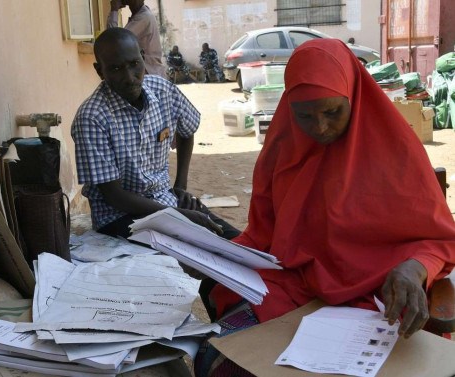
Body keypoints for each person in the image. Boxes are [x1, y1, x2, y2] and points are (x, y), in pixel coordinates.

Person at [194, 38, 455, 376]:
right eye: (304, 115)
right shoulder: (282, 149)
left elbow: (440, 239)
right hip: (294, 285)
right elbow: (263, 234)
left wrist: (416, 267)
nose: (319, 128)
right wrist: (208, 252)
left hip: (378, 296)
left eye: (333, 112)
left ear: (354, 96)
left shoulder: (397, 152)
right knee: (219, 359)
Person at [71, 28, 240, 242]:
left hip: (165, 199)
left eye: (134, 64)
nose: (129, 77)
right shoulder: (92, 118)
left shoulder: (162, 90)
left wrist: (180, 187)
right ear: (99, 71)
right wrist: (179, 216)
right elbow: (114, 196)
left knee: (236, 240)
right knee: (201, 253)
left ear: (142, 58)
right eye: (115, 68)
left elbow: (187, 130)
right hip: (120, 217)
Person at [107, 0, 166, 78]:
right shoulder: (140, 15)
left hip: (149, 75)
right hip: (149, 72)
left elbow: (115, 41)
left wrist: (114, 10)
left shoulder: (144, 17)